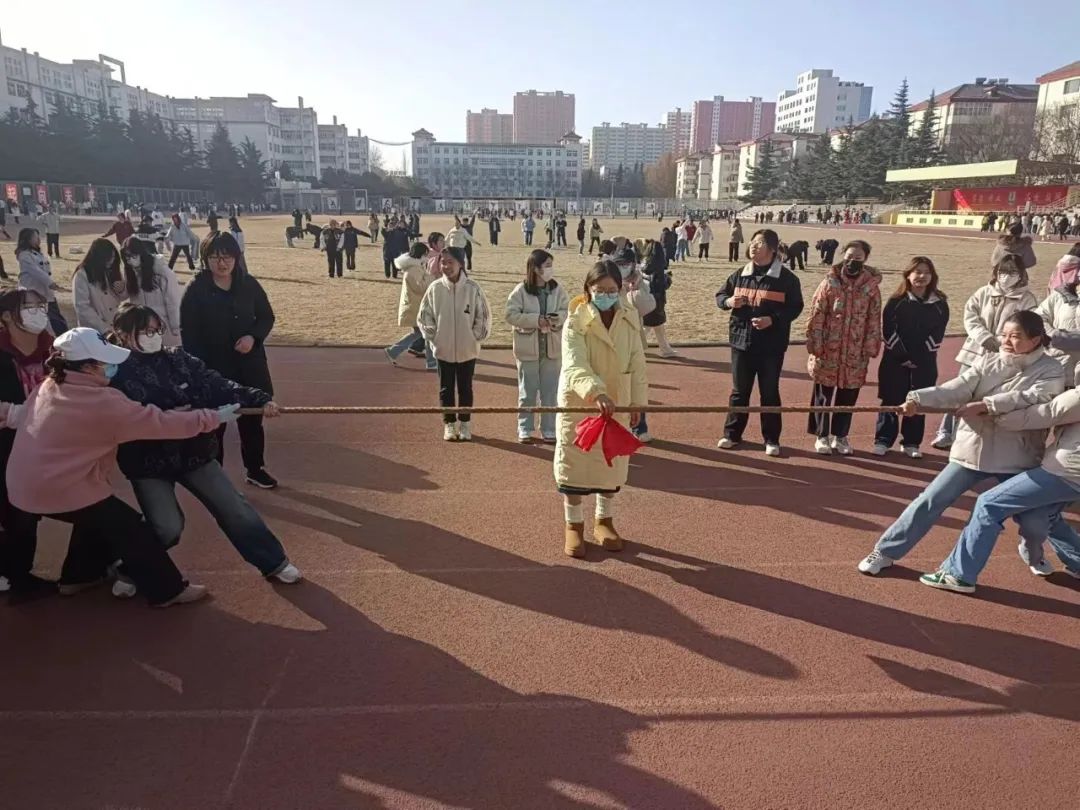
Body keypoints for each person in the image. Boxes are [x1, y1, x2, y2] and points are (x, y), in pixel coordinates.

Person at [1, 327, 233, 606]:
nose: (113, 367)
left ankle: (79, 576)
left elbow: (23, 415)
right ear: (87, 367)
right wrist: (211, 417)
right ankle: (168, 590)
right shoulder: (103, 402)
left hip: (22, 483)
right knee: (131, 529)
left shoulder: (49, 386)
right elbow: (158, 423)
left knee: (95, 516)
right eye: (106, 362)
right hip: (61, 487)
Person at [858, 311, 1066, 577]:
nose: (1005, 341)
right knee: (930, 500)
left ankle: (1034, 553)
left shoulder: (1052, 369)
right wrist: (917, 399)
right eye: (1003, 334)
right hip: (973, 450)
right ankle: (885, 551)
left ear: (1035, 340)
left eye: (1015, 336)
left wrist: (987, 405)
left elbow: (1036, 398)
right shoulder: (988, 360)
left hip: (1019, 456)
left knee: (1035, 522)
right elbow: (957, 388)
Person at [108, 304, 301, 588]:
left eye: (157, 330)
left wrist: (259, 399)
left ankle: (274, 562)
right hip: (147, 461)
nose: (154, 336)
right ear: (123, 334)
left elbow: (217, 384)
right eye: (146, 332)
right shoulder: (112, 372)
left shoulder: (179, 359)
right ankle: (129, 569)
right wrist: (176, 415)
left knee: (234, 507)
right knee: (167, 527)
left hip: (192, 452)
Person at [919, 383, 1080, 592]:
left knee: (989, 504)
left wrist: (992, 412)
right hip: (1070, 472)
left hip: (1067, 471)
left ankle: (958, 574)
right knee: (1047, 514)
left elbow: (1048, 412)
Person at [555, 260, 648, 559]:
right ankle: (574, 524)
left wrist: (637, 401)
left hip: (617, 399)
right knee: (574, 467)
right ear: (588, 289)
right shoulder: (575, 321)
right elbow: (574, 363)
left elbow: (638, 362)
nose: (606, 295)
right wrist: (596, 392)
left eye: (611, 290)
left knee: (610, 466)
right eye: (600, 290)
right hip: (580, 402)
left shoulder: (630, 318)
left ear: (620, 289)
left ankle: (604, 521)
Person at [181, 232, 278, 489]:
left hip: (250, 365)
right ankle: (216, 476)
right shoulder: (196, 290)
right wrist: (199, 370)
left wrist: (253, 337)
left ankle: (255, 469)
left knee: (252, 419)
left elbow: (266, 317)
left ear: (236, 258)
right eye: (215, 257)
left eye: (227, 257)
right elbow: (189, 333)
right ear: (205, 259)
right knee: (216, 424)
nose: (221, 263)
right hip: (214, 368)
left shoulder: (248, 284)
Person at [932, 254, 1037, 450]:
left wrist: (1001, 342)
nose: (1006, 276)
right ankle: (946, 432)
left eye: (1012, 271)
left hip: (1002, 356)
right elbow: (970, 317)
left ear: (1021, 274)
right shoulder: (983, 292)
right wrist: (983, 337)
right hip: (974, 352)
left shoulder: (1027, 299)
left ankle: (970, 439)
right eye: (1003, 271)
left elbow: (1024, 327)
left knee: (987, 398)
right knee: (958, 392)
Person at [715, 229, 803, 456]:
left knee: (769, 392)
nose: (754, 246)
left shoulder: (787, 279)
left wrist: (772, 319)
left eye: (760, 243)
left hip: (771, 346)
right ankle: (732, 435)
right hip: (741, 342)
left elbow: (795, 307)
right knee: (739, 392)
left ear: (772, 249)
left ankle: (771, 439)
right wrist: (729, 302)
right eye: (753, 242)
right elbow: (720, 296)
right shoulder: (740, 274)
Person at [0, 290, 56, 600]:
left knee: (27, 511)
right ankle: (16, 577)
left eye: (40, 305)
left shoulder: (54, 351)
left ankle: (19, 573)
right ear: (7, 316)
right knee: (13, 509)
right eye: (28, 307)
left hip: (46, 445)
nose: (37, 311)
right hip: (6, 446)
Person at [805, 240, 882, 455]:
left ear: (865, 259)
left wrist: (870, 345)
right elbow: (817, 313)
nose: (852, 262)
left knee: (848, 395)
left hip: (855, 351)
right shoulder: (830, 282)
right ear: (843, 256)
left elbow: (874, 319)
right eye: (849, 257)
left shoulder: (871, 288)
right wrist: (815, 341)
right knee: (823, 393)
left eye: (858, 258)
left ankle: (840, 436)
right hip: (828, 349)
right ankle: (821, 435)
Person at [873, 257, 949, 458]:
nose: (922, 276)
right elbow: (888, 331)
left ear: (932, 276)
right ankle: (883, 440)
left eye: (927, 272)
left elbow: (938, 333)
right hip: (895, 361)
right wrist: (902, 356)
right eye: (917, 272)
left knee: (919, 400)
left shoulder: (940, 304)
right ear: (908, 275)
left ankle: (911, 443)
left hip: (925, 362)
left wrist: (920, 358)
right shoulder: (896, 302)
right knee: (891, 399)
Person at [418, 247, 491, 442]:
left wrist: (474, 337)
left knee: (465, 388)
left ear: (461, 263)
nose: (446, 266)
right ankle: (449, 424)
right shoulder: (435, 288)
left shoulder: (473, 288)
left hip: (467, 350)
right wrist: (434, 337)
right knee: (446, 388)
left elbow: (483, 316)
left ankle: (465, 423)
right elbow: (425, 315)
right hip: (444, 350)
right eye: (443, 262)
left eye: (451, 262)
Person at [506, 249, 569, 444]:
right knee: (528, 391)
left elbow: (566, 311)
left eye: (551, 265)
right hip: (528, 349)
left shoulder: (557, 289)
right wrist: (535, 320)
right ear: (535, 268)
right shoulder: (520, 291)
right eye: (547, 265)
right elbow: (511, 315)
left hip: (551, 349)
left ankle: (549, 428)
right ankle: (524, 428)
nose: (550, 269)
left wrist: (556, 319)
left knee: (550, 392)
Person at [120, 236, 182, 348]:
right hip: (141, 329)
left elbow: (173, 302)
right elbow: (125, 296)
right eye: (127, 258)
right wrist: (120, 288)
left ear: (141, 253)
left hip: (163, 327)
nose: (130, 260)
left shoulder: (162, 272)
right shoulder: (130, 274)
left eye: (133, 256)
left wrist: (176, 327)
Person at [384, 242, 435, 369]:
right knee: (427, 332)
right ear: (421, 254)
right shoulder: (414, 270)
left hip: (416, 306)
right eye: (426, 254)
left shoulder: (414, 268)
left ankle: (393, 351)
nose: (427, 257)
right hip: (416, 307)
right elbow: (420, 288)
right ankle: (431, 362)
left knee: (420, 333)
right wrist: (431, 277)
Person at [15, 227, 67, 335]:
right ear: (27, 239)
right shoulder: (24, 255)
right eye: (35, 237)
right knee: (43, 322)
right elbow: (36, 271)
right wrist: (51, 283)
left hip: (46, 292)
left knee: (57, 320)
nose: (39, 239)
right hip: (34, 294)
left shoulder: (38, 253)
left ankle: (62, 337)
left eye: (38, 236)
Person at [1036, 253, 1080, 374]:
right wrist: (1052, 334)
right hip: (1058, 364)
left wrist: (1068, 339)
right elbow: (1039, 317)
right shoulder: (1059, 295)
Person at [72, 238, 125, 333]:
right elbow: (82, 307)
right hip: (93, 329)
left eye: (113, 257)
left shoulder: (112, 270)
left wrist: (122, 289)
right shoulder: (82, 275)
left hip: (115, 324)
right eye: (108, 258)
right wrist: (103, 328)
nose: (111, 261)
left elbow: (122, 297)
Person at [640, 238, 677, 359]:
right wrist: (668, 279)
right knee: (653, 326)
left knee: (652, 326)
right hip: (657, 300)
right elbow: (661, 285)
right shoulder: (658, 267)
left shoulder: (643, 264)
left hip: (645, 298)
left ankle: (666, 349)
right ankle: (665, 350)